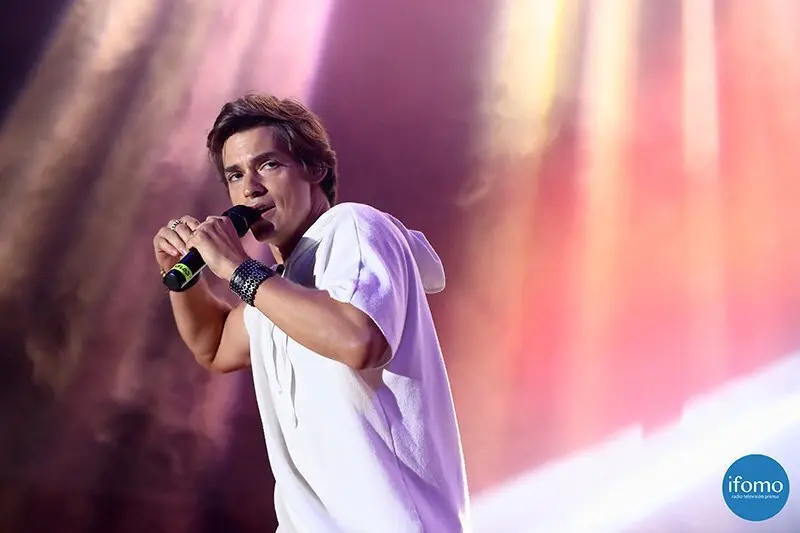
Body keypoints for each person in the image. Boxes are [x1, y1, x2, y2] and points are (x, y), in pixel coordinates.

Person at [152, 94, 470, 532]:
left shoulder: (352, 227)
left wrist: (238, 270)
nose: (250, 188)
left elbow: (359, 340)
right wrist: (181, 276)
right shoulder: (277, 288)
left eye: (268, 165)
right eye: (235, 175)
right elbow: (214, 345)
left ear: (315, 168)